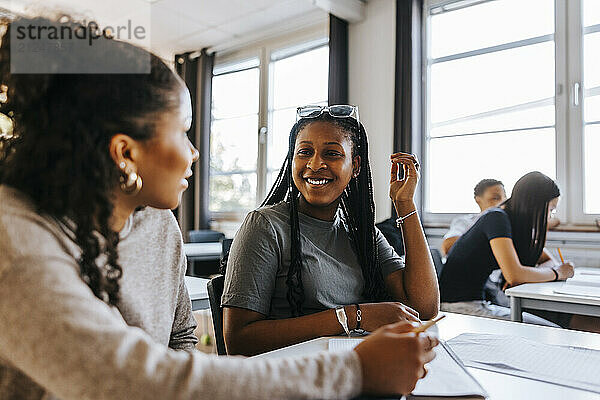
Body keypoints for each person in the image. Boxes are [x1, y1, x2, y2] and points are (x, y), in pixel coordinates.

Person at [0, 16, 439, 399]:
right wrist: (355, 369)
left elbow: (182, 341)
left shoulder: (158, 224)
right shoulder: (13, 239)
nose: (194, 154)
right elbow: (122, 378)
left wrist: (405, 208)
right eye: (184, 132)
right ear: (125, 152)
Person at [221, 105, 440, 356]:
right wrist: (354, 316)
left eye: (332, 154)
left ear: (355, 166)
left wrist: (404, 205)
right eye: (304, 152)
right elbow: (239, 341)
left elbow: (424, 308)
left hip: (354, 368)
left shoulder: (362, 236)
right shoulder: (265, 225)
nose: (315, 164)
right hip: (293, 377)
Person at [439, 171, 600, 332]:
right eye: (550, 209)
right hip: (460, 307)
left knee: (553, 325)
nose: (549, 216)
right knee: (552, 332)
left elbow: (540, 263)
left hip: (481, 301)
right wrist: (557, 272)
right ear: (534, 204)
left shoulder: (511, 222)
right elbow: (515, 276)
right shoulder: (496, 218)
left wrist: (527, 273)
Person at [441, 179, 506, 256]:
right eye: (495, 198)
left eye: (505, 198)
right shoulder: (464, 222)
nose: (502, 203)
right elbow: (447, 246)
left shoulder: (507, 223)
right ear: (478, 200)